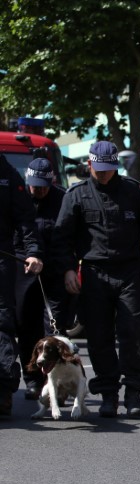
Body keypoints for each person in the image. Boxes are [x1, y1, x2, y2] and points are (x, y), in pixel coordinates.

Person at [54, 141, 140, 418]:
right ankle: (108, 393)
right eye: (98, 169)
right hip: (94, 272)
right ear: (89, 164)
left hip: (129, 272)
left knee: (135, 332)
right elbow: (61, 238)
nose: (103, 174)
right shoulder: (76, 195)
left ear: (116, 166)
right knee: (99, 335)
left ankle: (134, 392)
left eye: (108, 169)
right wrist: (68, 269)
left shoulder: (133, 191)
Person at [14, 158, 74, 401]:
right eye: (34, 185)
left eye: (42, 185)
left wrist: (69, 268)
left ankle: (58, 382)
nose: (37, 190)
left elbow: (70, 239)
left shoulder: (63, 199)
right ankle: (33, 380)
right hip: (25, 269)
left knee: (54, 328)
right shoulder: (19, 197)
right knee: (26, 326)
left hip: (55, 271)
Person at [0, 155, 43, 416]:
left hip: (2, 258)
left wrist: (34, 251)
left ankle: (3, 392)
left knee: (2, 324)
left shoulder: (7, 174)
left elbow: (26, 218)